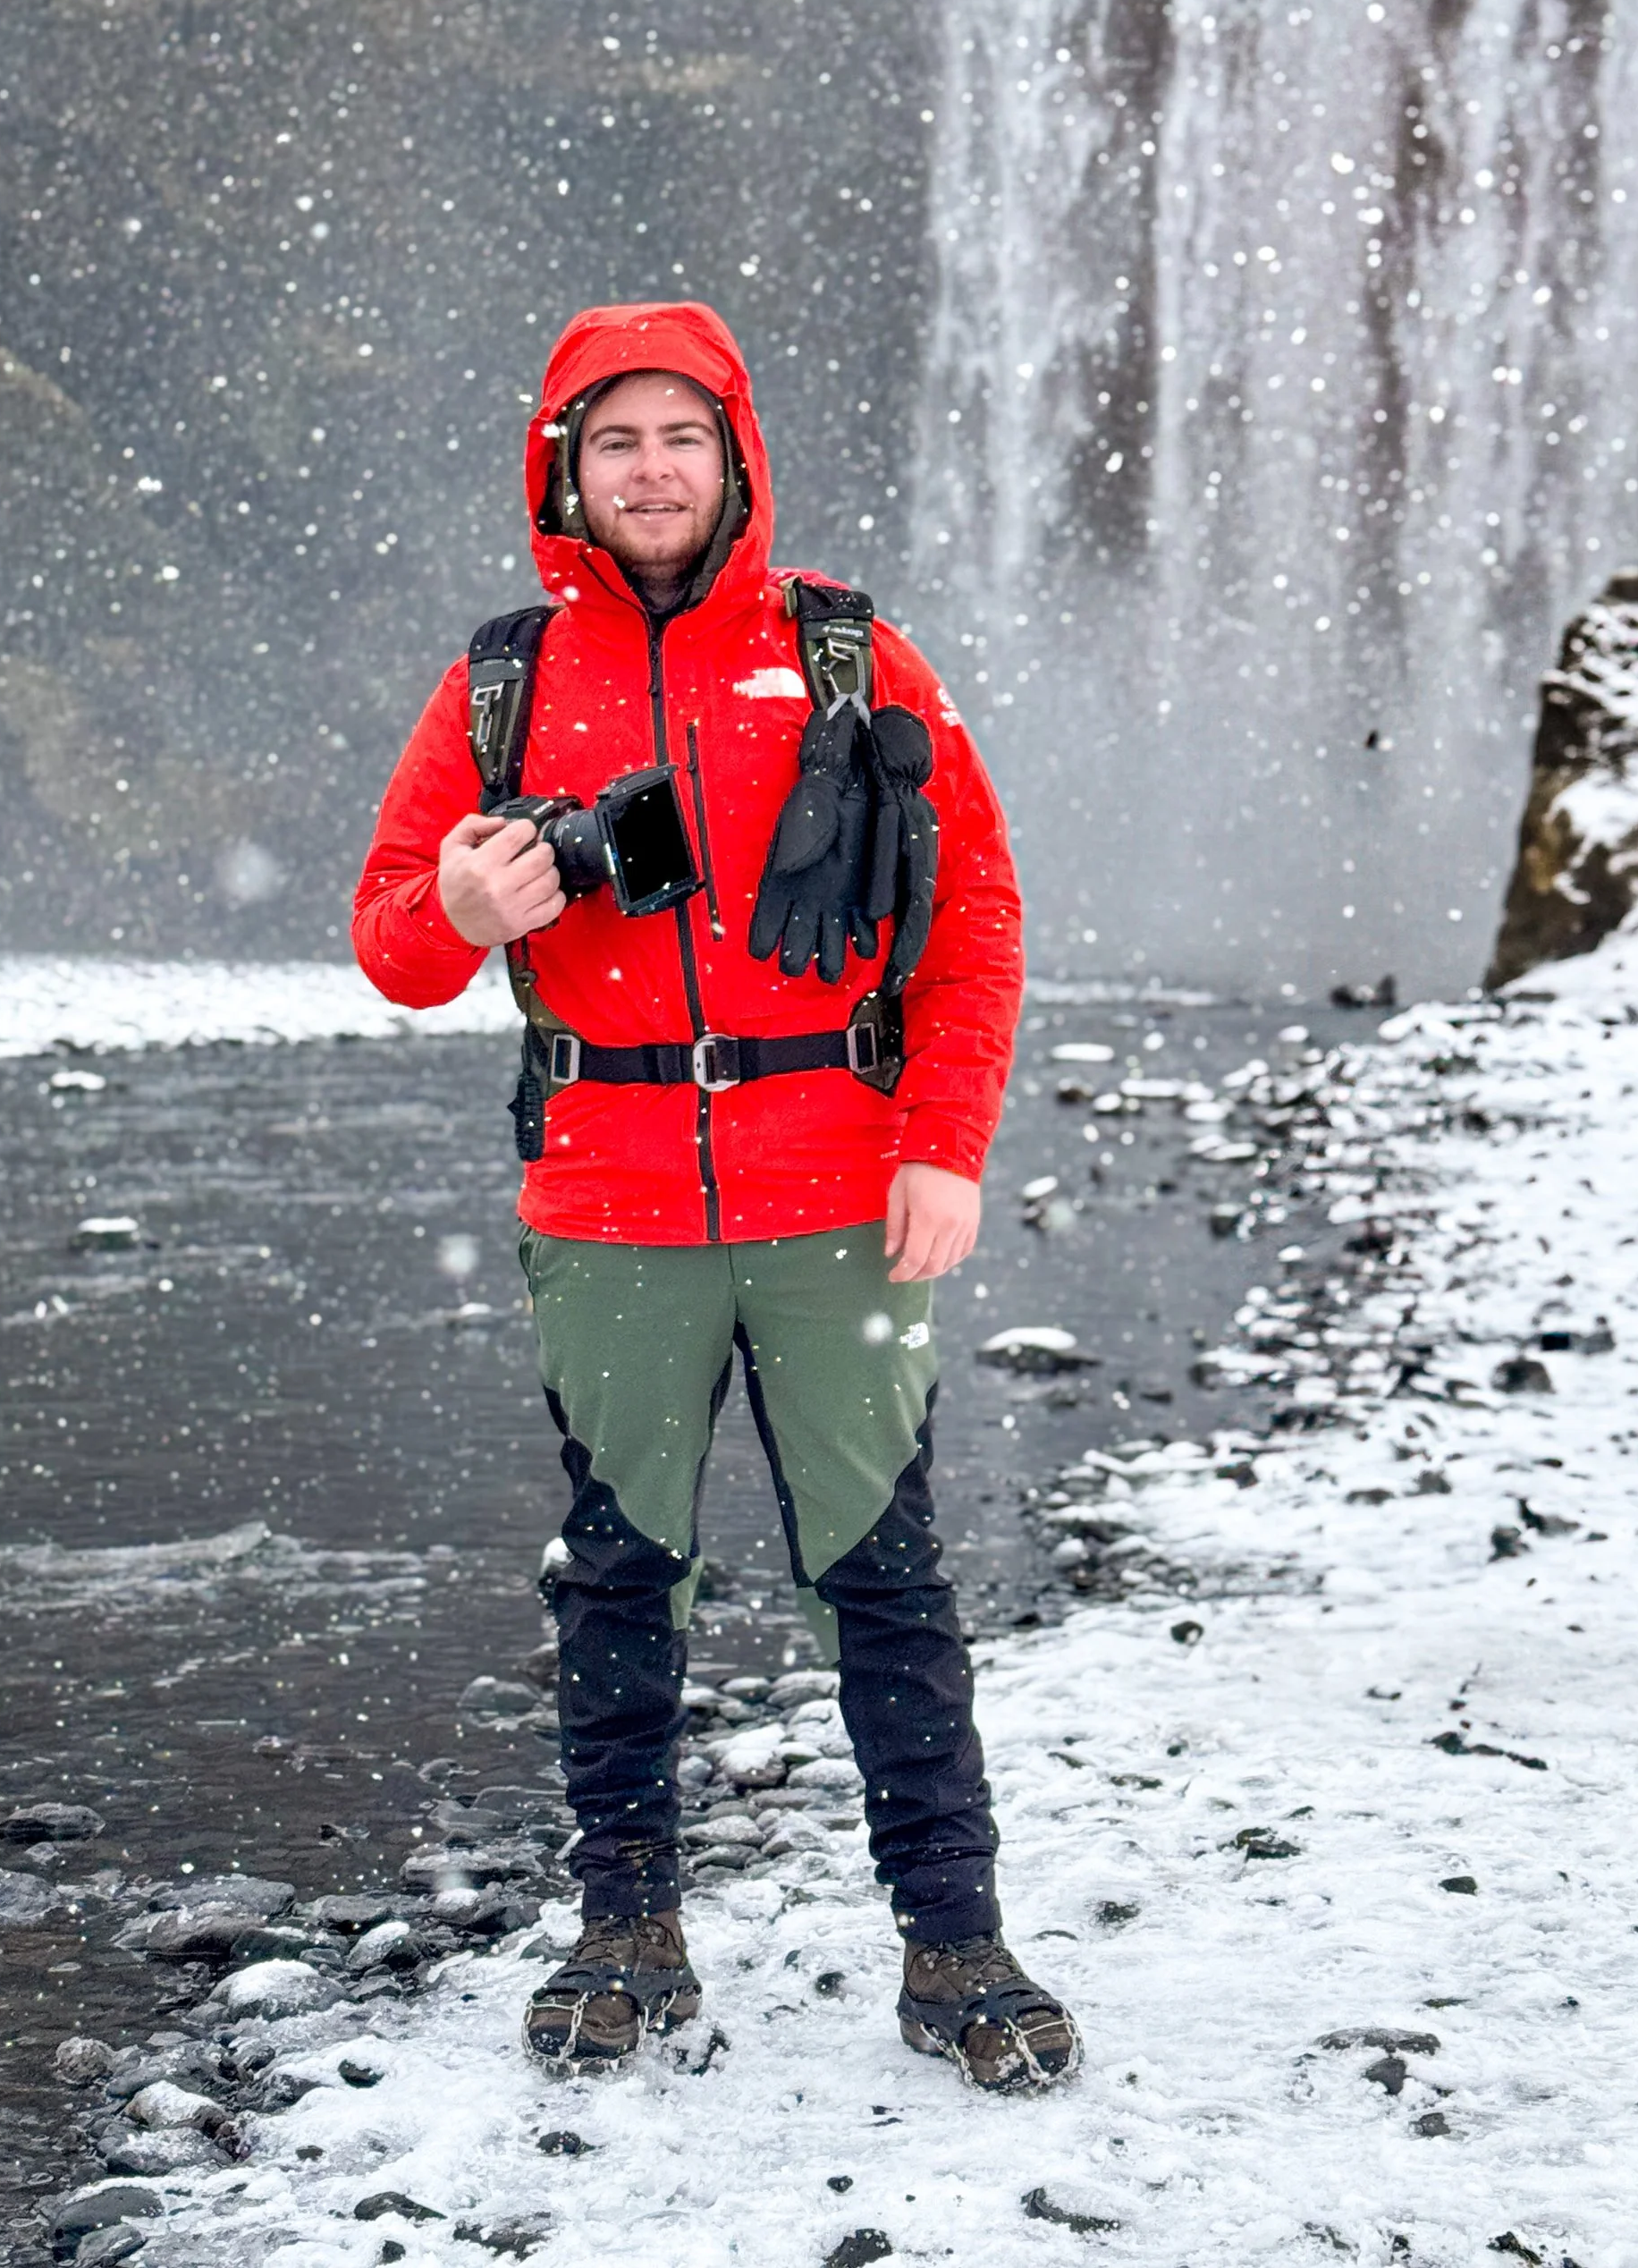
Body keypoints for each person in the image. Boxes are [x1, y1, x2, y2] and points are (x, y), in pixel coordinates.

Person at [351, 301, 1077, 2093]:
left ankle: (951, 1941)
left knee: (885, 1575)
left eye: (681, 436)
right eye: (616, 441)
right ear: (566, 473)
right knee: (616, 1575)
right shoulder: (501, 681)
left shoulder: (849, 658)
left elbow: (973, 910)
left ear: (733, 455)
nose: (651, 470)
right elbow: (389, 940)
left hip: (842, 1195)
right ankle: (626, 1930)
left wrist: (942, 1141)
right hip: (605, 1206)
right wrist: (466, 908)